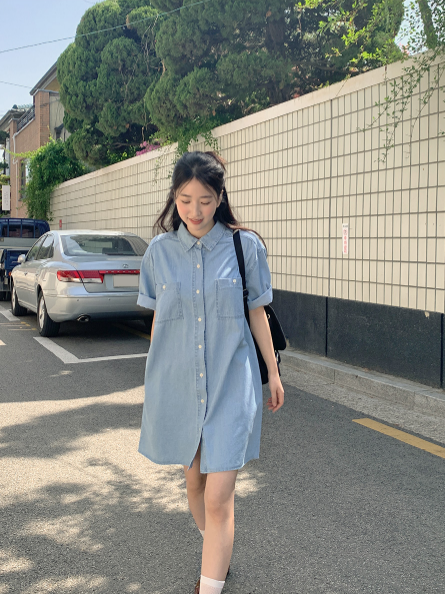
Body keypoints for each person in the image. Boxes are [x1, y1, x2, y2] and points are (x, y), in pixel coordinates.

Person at [137, 151, 284, 593]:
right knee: (195, 487)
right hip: (180, 388)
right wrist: (153, 384)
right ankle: (216, 550)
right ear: (174, 198)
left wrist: (273, 373)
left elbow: (257, 313)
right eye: (185, 200)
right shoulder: (159, 253)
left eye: (204, 200)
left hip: (231, 386)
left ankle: (210, 580)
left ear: (220, 198)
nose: (195, 211)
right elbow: (159, 322)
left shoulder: (245, 247)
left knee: (219, 497)